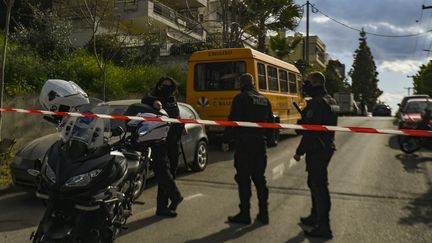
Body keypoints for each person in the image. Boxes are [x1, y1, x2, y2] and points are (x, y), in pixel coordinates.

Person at [222, 73, 274, 225]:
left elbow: (233, 120)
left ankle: (245, 214)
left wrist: (226, 140)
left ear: (241, 83)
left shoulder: (241, 98)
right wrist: (267, 140)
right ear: (253, 83)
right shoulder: (264, 99)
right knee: (260, 179)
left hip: (245, 144)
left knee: (244, 179)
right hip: (260, 144)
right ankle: (264, 214)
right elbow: (271, 123)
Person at [293, 72, 338, 239]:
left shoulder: (317, 103)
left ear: (317, 83)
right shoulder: (330, 100)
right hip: (325, 147)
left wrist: (299, 152)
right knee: (314, 183)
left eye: (309, 82)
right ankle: (315, 216)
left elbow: (309, 132)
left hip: (317, 148)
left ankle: (324, 226)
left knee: (319, 186)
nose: (306, 86)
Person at [141, 77, 184, 217]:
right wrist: (154, 102)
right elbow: (145, 99)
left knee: (171, 172)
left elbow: (176, 116)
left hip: (174, 141)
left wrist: (182, 126)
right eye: (164, 85)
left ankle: (162, 207)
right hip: (160, 141)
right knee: (163, 172)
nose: (167, 88)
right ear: (159, 85)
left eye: (170, 85)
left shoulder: (172, 99)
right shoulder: (154, 97)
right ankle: (175, 196)